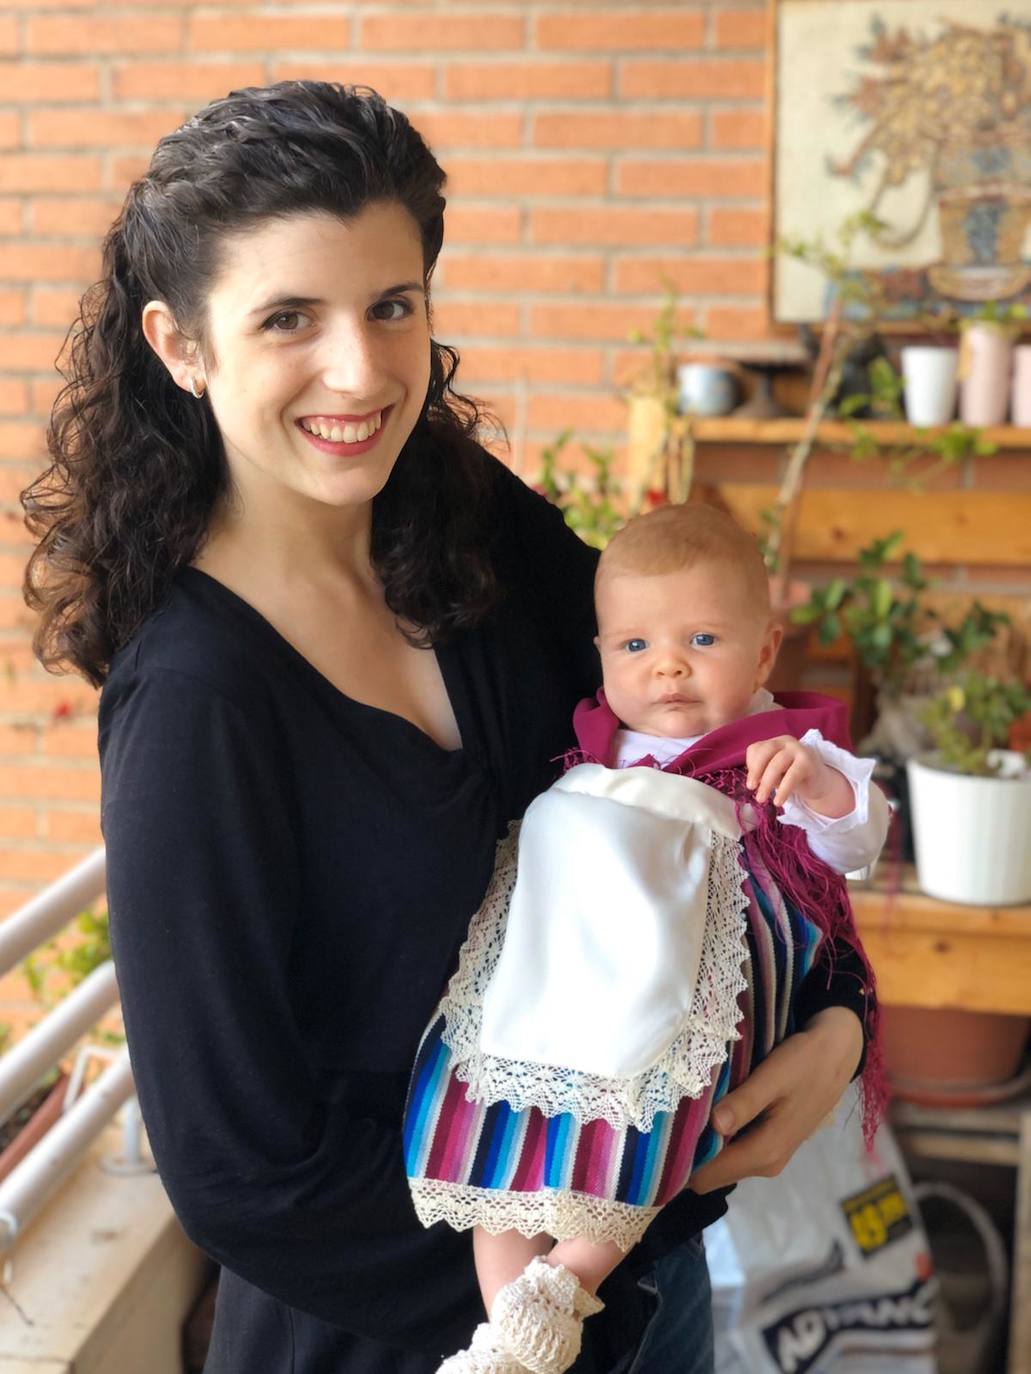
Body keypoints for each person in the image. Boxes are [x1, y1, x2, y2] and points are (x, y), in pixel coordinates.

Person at [21, 81, 876, 1374]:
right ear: (181, 343)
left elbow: (702, 753)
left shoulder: (461, 510)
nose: (358, 371)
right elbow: (242, 1171)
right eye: (287, 318)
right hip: (419, 1342)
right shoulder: (197, 701)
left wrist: (839, 1019)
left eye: (391, 304)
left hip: (647, 1292)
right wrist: (563, 1285)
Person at [405, 504, 889, 1374]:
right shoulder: (600, 743)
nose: (664, 664)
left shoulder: (778, 746)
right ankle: (510, 1331)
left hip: (672, 982)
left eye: (701, 639)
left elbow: (854, 845)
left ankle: (564, 1285)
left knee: (639, 1138)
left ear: (765, 653)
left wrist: (819, 787)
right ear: (599, 657)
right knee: (496, 1160)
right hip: (561, 977)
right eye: (633, 647)